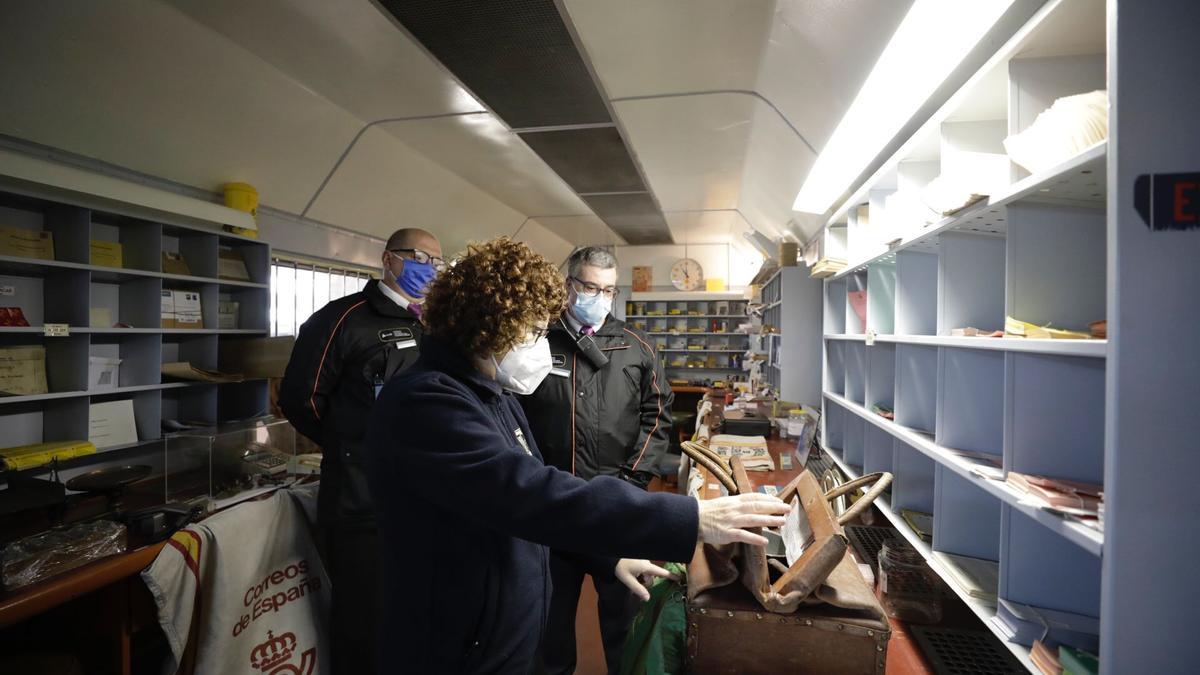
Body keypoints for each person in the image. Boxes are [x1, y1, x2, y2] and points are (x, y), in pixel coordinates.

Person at [366, 237, 789, 673]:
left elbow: (529, 497)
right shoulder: (428, 403)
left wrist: (607, 555)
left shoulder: (491, 393)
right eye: (531, 332)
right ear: (488, 326)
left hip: (496, 627)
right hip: (455, 643)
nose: (538, 346)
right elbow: (529, 493)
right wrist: (692, 518)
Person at [279, 227, 444, 675]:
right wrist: (355, 446)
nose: (429, 269)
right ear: (389, 259)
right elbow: (302, 399)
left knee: (416, 615)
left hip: (422, 500)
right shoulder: (342, 319)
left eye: (437, 262)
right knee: (363, 622)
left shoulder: (433, 323)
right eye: (419, 258)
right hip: (361, 503)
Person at [517, 246, 671, 674]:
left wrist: (632, 483)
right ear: (569, 287)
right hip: (551, 506)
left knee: (625, 619)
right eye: (589, 287)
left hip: (617, 505)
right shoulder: (535, 342)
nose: (599, 297)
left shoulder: (637, 346)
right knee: (549, 620)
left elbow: (657, 415)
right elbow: (514, 413)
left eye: (608, 289)